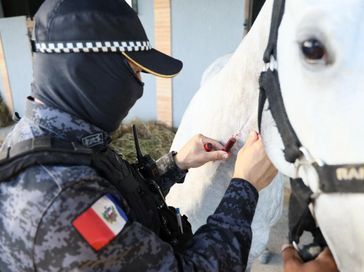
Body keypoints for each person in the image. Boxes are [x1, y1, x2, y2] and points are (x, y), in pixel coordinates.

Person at [0, 0, 279, 271]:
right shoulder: (64, 202)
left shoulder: (58, 139)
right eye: (135, 71)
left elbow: (120, 198)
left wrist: (176, 164)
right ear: (88, 70)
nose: (140, 85)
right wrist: (245, 185)